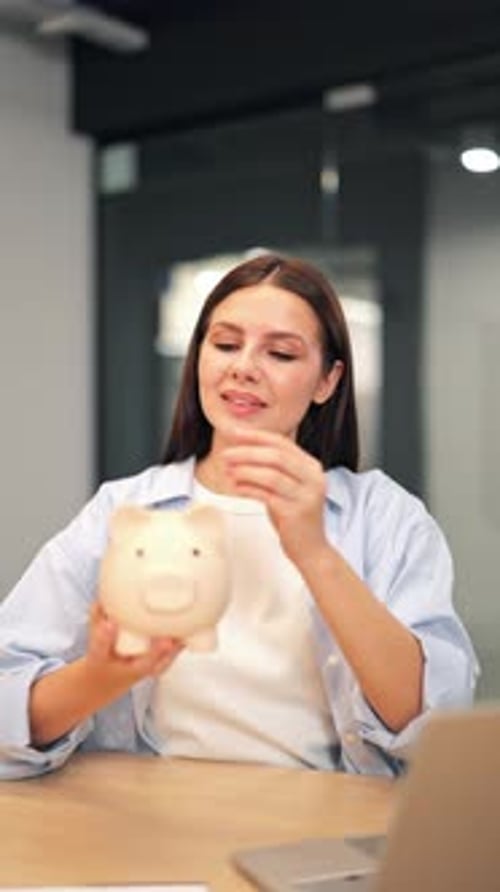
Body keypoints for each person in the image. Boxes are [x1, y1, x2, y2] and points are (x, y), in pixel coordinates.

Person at [0, 253, 479, 780]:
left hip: (323, 829)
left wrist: (314, 553)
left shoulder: (387, 518)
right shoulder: (123, 510)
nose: (243, 367)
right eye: (225, 344)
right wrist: (100, 675)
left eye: (280, 353)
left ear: (327, 380)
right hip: (148, 822)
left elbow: (431, 723)